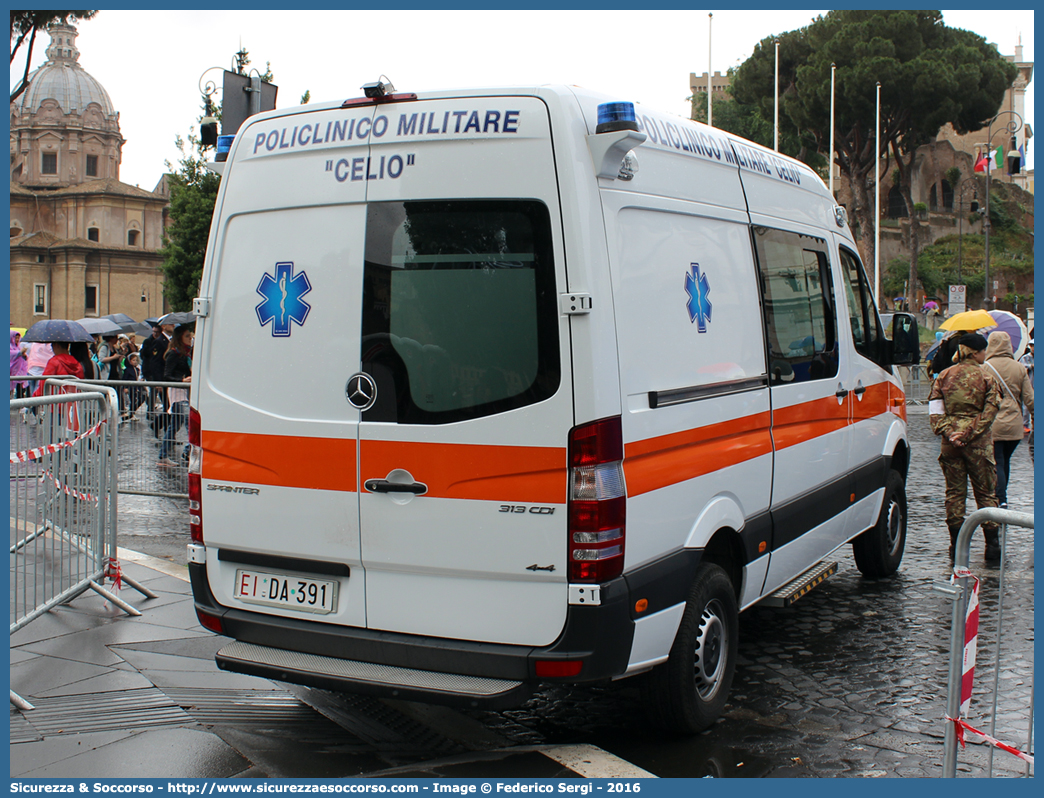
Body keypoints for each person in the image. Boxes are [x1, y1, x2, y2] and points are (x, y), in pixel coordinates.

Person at [928, 333, 1003, 562]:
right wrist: (969, 433)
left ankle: (956, 547)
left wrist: (951, 434)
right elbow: (989, 414)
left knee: (954, 494)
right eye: (983, 351)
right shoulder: (987, 378)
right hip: (978, 444)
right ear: (976, 352)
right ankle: (992, 547)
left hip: (950, 444)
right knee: (986, 493)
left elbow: (935, 411)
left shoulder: (943, 376)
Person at [983, 331, 1033, 508]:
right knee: (1005, 461)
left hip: (993, 423)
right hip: (1014, 425)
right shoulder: (1019, 367)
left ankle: (1000, 498)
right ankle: (1002, 495)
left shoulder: (985, 368)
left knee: (997, 462)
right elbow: (1030, 399)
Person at [158, 324, 193, 466]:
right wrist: (182, 380)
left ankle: (163, 456)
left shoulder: (185, 353)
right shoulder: (174, 353)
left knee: (175, 426)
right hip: (177, 393)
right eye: (187, 336)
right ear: (180, 338)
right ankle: (186, 451)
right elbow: (166, 376)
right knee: (188, 424)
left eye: (190, 336)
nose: (190, 339)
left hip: (184, 391)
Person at [1019, 338, 1034, 462]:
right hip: (1029, 384)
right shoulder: (1026, 357)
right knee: (1026, 405)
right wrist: (1030, 366)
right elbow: (1021, 367)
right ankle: (1025, 424)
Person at [122, 351, 147, 419]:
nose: (135, 362)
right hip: (131, 387)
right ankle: (131, 413)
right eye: (133, 360)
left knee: (140, 398)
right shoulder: (127, 370)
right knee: (132, 400)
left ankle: (132, 411)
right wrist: (125, 387)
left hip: (136, 387)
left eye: (136, 360)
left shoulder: (137, 369)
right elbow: (125, 379)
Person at [10, 330, 29, 399]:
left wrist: (23, 355)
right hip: (12, 373)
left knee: (19, 390)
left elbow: (24, 358)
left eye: (18, 338)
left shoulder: (18, 347)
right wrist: (19, 352)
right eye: (15, 338)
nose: (17, 340)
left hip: (19, 373)